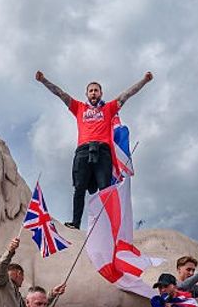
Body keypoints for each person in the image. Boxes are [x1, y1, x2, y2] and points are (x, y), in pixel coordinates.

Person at [34, 70, 153, 228]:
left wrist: (144, 80)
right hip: (83, 151)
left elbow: (127, 95)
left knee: (105, 189)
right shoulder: (79, 108)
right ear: (87, 94)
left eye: (96, 90)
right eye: (91, 91)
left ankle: (107, 225)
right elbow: (60, 94)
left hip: (103, 152)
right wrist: (43, 80)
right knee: (79, 188)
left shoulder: (108, 108)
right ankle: (75, 223)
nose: (93, 93)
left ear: (101, 93)